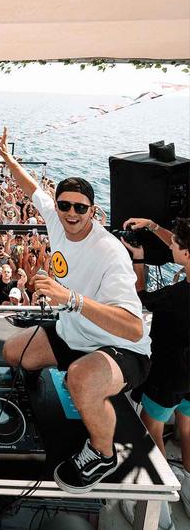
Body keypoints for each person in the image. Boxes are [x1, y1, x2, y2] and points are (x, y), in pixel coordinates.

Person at [0, 126, 151, 494]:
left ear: (93, 211)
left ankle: (102, 453)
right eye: (64, 205)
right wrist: (7, 159)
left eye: (80, 207)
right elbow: (32, 189)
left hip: (120, 348)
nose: (71, 212)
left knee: (79, 379)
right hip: (74, 333)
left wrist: (71, 299)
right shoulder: (56, 219)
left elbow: (133, 328)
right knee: (13, 353)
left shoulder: (110, 253)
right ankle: (60, 378)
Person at [119, 216, 190, 529]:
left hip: (169, 375)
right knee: (188, 429)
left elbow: (139, 298)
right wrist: (151, 226)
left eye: (175, 243)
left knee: (151, 431)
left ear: (186, 253)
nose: (170, 244)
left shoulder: (177, 297)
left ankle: (158, 507)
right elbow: (180, 242)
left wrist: (138, 259)